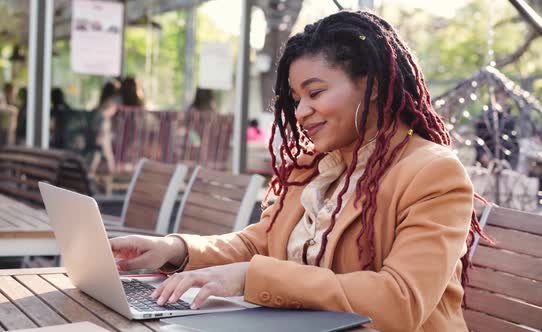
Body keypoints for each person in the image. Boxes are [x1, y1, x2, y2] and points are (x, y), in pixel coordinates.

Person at [110, 11, 485, 331]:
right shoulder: (315, 164)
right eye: (295, 99)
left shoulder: (433, 173)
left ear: (370, 85)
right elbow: (261, 242)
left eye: (315, 92)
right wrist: (172, 249)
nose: (301, 111)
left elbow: (400, 299)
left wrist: (251, 277)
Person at [89, 80, 120, 176]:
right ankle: (111, 172)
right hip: (103, 130)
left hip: (102, 129)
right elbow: (105, 115)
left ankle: (91, 172)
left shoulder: (103, 101)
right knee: (106, 153)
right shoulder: (111, 101)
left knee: (99, 153)